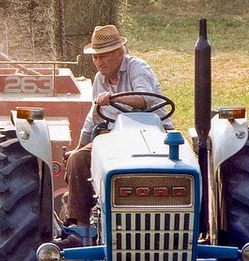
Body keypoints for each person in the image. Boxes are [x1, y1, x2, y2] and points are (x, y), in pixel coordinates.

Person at [63, 24, 170, 232]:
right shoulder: (99, 79)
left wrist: (112, 99)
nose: (98, 62)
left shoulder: (138, 68)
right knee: (77, 159)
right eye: (95, 57)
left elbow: (147, 99)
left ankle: (195, 221)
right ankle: (80, 227)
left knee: (187, 165)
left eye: (103, 56)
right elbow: (92, 117)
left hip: (152, 136)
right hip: (115, 138)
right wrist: (79, 146)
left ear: (120, 53)